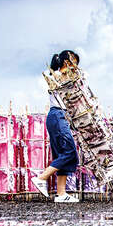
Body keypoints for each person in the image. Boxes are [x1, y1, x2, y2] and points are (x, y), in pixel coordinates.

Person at [31, 50, 81, 203]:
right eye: (74, 63)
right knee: (70, 153)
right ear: (68, 62)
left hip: (56, 117)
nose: (76, 68)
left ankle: (61, 194)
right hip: (58, 116)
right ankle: (42, 178)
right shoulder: (61, 77)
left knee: (62, 155)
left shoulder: (57, 76)